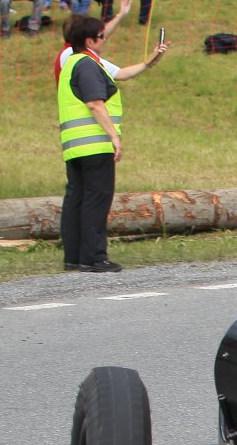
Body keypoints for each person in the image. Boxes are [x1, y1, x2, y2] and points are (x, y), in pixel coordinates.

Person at [56, 14, 165, 273]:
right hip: (95, 144)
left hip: (75, 145)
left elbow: (122, 74)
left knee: (76, 198)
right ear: (89, 41)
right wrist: (114, 136)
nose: (105, 40)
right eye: (101, 36)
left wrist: (151, 59)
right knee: (96, 199)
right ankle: (94, 257)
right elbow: (95, 103)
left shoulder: (73, 62)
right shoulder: (87, 65)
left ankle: (74, 256)